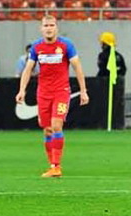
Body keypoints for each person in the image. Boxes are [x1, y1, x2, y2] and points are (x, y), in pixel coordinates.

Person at [16, 15, 89, 178]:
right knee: (47, 130)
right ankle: (51, 165)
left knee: (57, 126)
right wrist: (22, 90)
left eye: (51, 25)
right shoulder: (36, 47)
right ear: (41, 28)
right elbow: (28, 69)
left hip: (61, 92)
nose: (49, 28)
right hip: (43, 93)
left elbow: (77, 67)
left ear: (57, 27)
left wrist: (83, 90)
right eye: (46, 25)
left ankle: (56, 166)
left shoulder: (66, 45)